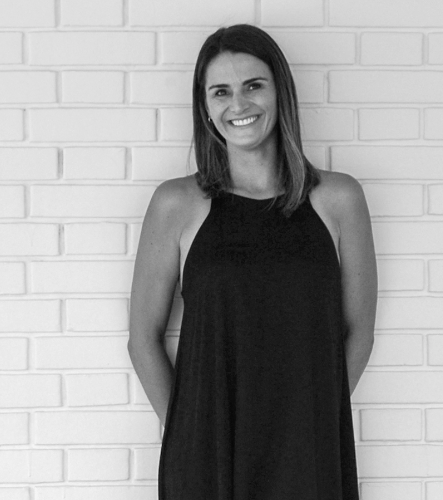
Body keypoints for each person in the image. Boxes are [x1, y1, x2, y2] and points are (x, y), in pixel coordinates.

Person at [128, 24, 377, 500]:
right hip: (208, 457)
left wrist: (310, 423)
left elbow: (359, 332)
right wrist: (188, 433)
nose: (238, 104)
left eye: (253, 85)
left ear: (280, 92)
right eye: (220, 91)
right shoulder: (176, 204)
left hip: (309, 453)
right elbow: (142, 338)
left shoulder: (339, 199)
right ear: (205, 106)